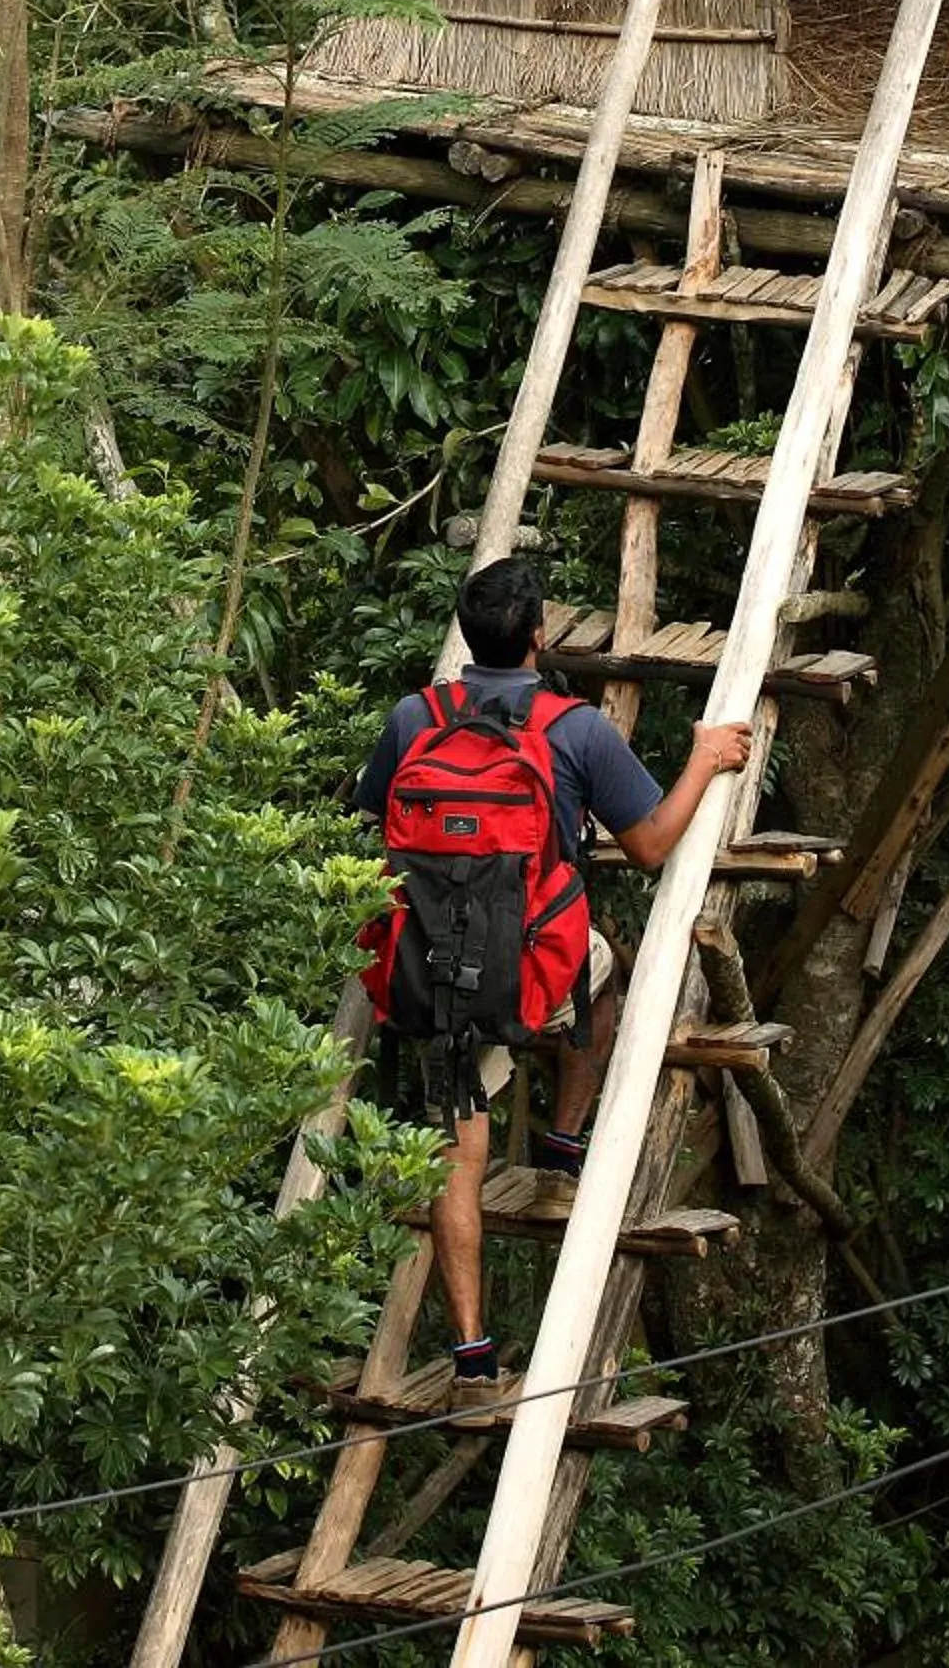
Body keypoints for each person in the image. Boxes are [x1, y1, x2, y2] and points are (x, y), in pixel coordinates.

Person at [355, 556, 752, 1419]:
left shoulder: (414, 718)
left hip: (427, 980)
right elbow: (650, 846)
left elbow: (375, 821)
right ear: (539, 635)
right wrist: (705, 758)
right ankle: (564, 1141)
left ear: (468, 636)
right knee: (600, 968)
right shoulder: (576, 731)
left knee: (455, 1160)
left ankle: (471, 1354)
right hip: (529, 981)